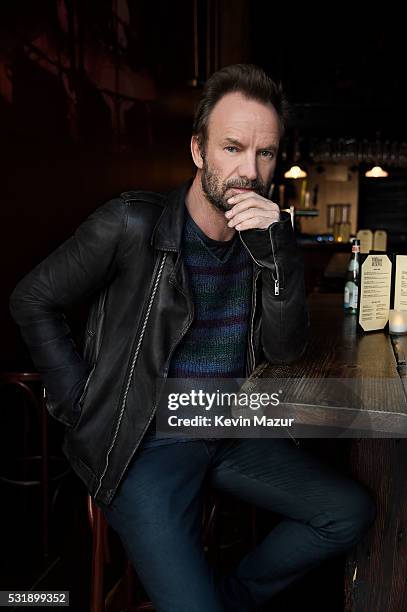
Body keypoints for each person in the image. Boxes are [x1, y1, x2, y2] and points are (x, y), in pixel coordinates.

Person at [10, 64, 376, 611]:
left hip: (225, 426)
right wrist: (81, 402)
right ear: (199, 151)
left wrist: (279, 254)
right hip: (143, 442)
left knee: (348, 512)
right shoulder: (133, 223)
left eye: (265, 153)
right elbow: (32, 297)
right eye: (232, 147)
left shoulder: (266, 241)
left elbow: (284, 349)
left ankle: (227, 598)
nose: (248, 170)